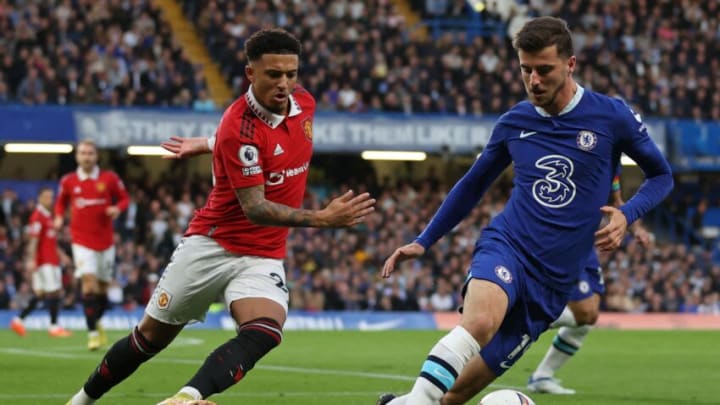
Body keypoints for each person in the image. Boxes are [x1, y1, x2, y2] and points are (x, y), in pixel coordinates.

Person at [66, 28, 376, 405]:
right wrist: (322, 219)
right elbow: (256, 208)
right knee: (147, 340)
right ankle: (80, 400)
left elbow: (252, 142)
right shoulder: (237, 126)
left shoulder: (305, 104)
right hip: (212, 245)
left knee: (266, 330)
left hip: (262, 254)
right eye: (273, 75)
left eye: (291, 74)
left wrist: (205, 143)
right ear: (250, 74)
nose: (285, 84)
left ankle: (185, 398)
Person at [377, 16, 672, 405]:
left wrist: (626, 214)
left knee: (451, 399)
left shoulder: (611, 117)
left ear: (570, 64)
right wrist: (424, 240)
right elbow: (472, 184)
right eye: (525, 70)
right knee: (479, 322)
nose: (534, 80)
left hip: (552, 285)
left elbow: (662, 176)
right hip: (509, 246)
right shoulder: (514, 121)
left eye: (544, 70)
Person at [526, 171, 651, 395]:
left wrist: (635, 227)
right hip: (561, 235)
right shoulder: (577, 149)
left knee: (586, 320)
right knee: (585, 312)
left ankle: (542, 375)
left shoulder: (610, 163)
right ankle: (519, 322)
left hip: (585, 241)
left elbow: (617, 201)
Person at [54, 139, 130, 350]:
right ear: (77, 156)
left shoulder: (109, 178)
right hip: (81, 241)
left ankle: (95, 320)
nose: (86, 156)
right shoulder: (69, 181)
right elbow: (60, 203)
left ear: (96, 156)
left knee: (102, 291)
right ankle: (93, 333)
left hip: (105, 242)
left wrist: (117, 209)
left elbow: (124, 199)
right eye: (83, 153)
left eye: (90, 153)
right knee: (88, 284)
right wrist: (59, 217)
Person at [9, 187, 72, 338]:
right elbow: (34, 240)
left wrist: (62, 255)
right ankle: (54, 326)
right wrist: (31, 260)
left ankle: (18, 320)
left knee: (41, 294)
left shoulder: (48, 216)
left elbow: (50, 241)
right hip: (45, 262)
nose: (50, 199)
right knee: (54, 291)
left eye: (51, 197)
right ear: (40, 198)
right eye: (46, 197)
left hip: (51, 259)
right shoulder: (37, 216)